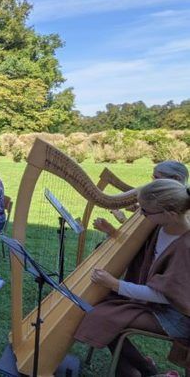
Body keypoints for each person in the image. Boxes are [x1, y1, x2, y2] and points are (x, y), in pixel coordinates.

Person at [74, 179, 190, 377]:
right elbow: (141, 254)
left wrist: (115, 284)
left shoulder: (185, 247)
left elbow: (166, 295)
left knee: (104, 316)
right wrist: (112, 232)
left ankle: (139, 370)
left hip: (175, 314)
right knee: (97, 303)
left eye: (144, 211)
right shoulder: (160, 227)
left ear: (169, 214)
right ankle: (138, 370)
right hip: (153, 300)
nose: (140, 214)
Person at [93, 160, 188, 237]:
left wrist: (114, 228)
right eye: (153, 177)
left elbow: (141, 245)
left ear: (176, 179)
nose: (152, 182)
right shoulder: (168, 203)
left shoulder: (175, 210)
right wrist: (139, 208)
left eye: (157, 178)